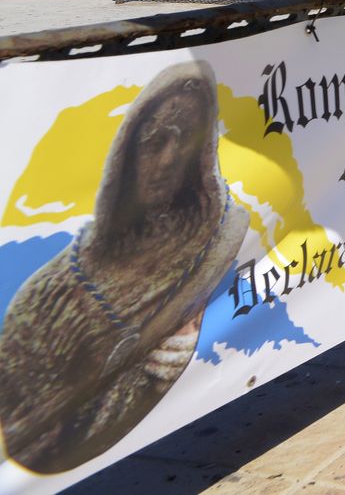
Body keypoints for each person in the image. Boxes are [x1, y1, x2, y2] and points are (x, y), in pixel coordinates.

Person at [0, 62, 249, 473]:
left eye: (184, 140)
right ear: (130, 148)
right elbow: (30, 431)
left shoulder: (218, 234)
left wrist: (171, 347)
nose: (169, 158)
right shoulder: (54, 288)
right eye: (155, 142)